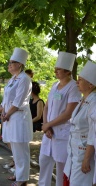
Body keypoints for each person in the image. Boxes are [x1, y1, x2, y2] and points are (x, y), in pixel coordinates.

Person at [39, 52, 81, 186]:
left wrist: (48, 125)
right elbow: (46, 107)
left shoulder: (73, 87)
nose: (55, 71)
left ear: (68, 71)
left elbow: (69, 113)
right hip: (49, 131)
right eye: (55, 68)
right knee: (44, 161)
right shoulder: (54, 85)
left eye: (59, 69)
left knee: (61, 167)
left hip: (63, 132)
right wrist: (46, 126)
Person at [1, 48, 33, 186]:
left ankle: (22, 179)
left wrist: (7, 113)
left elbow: (18, 100)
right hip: (10, 117)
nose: (9, 65)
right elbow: (7, 98)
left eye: (12, 62)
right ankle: (18, 174)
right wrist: (2, 109)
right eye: (9, 62)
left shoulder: (25, 79)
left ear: (20, 64)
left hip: (18, 117)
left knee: (21, 150)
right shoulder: (12, 79)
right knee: (15, 149)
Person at [64, 61, 96, 185]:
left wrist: (86, 159)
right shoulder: (83, 100)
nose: (77, 82)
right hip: (75, 152)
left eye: (81, 80)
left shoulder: (93, 103)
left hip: (83, 153)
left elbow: (93, 134)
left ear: (91, 85)